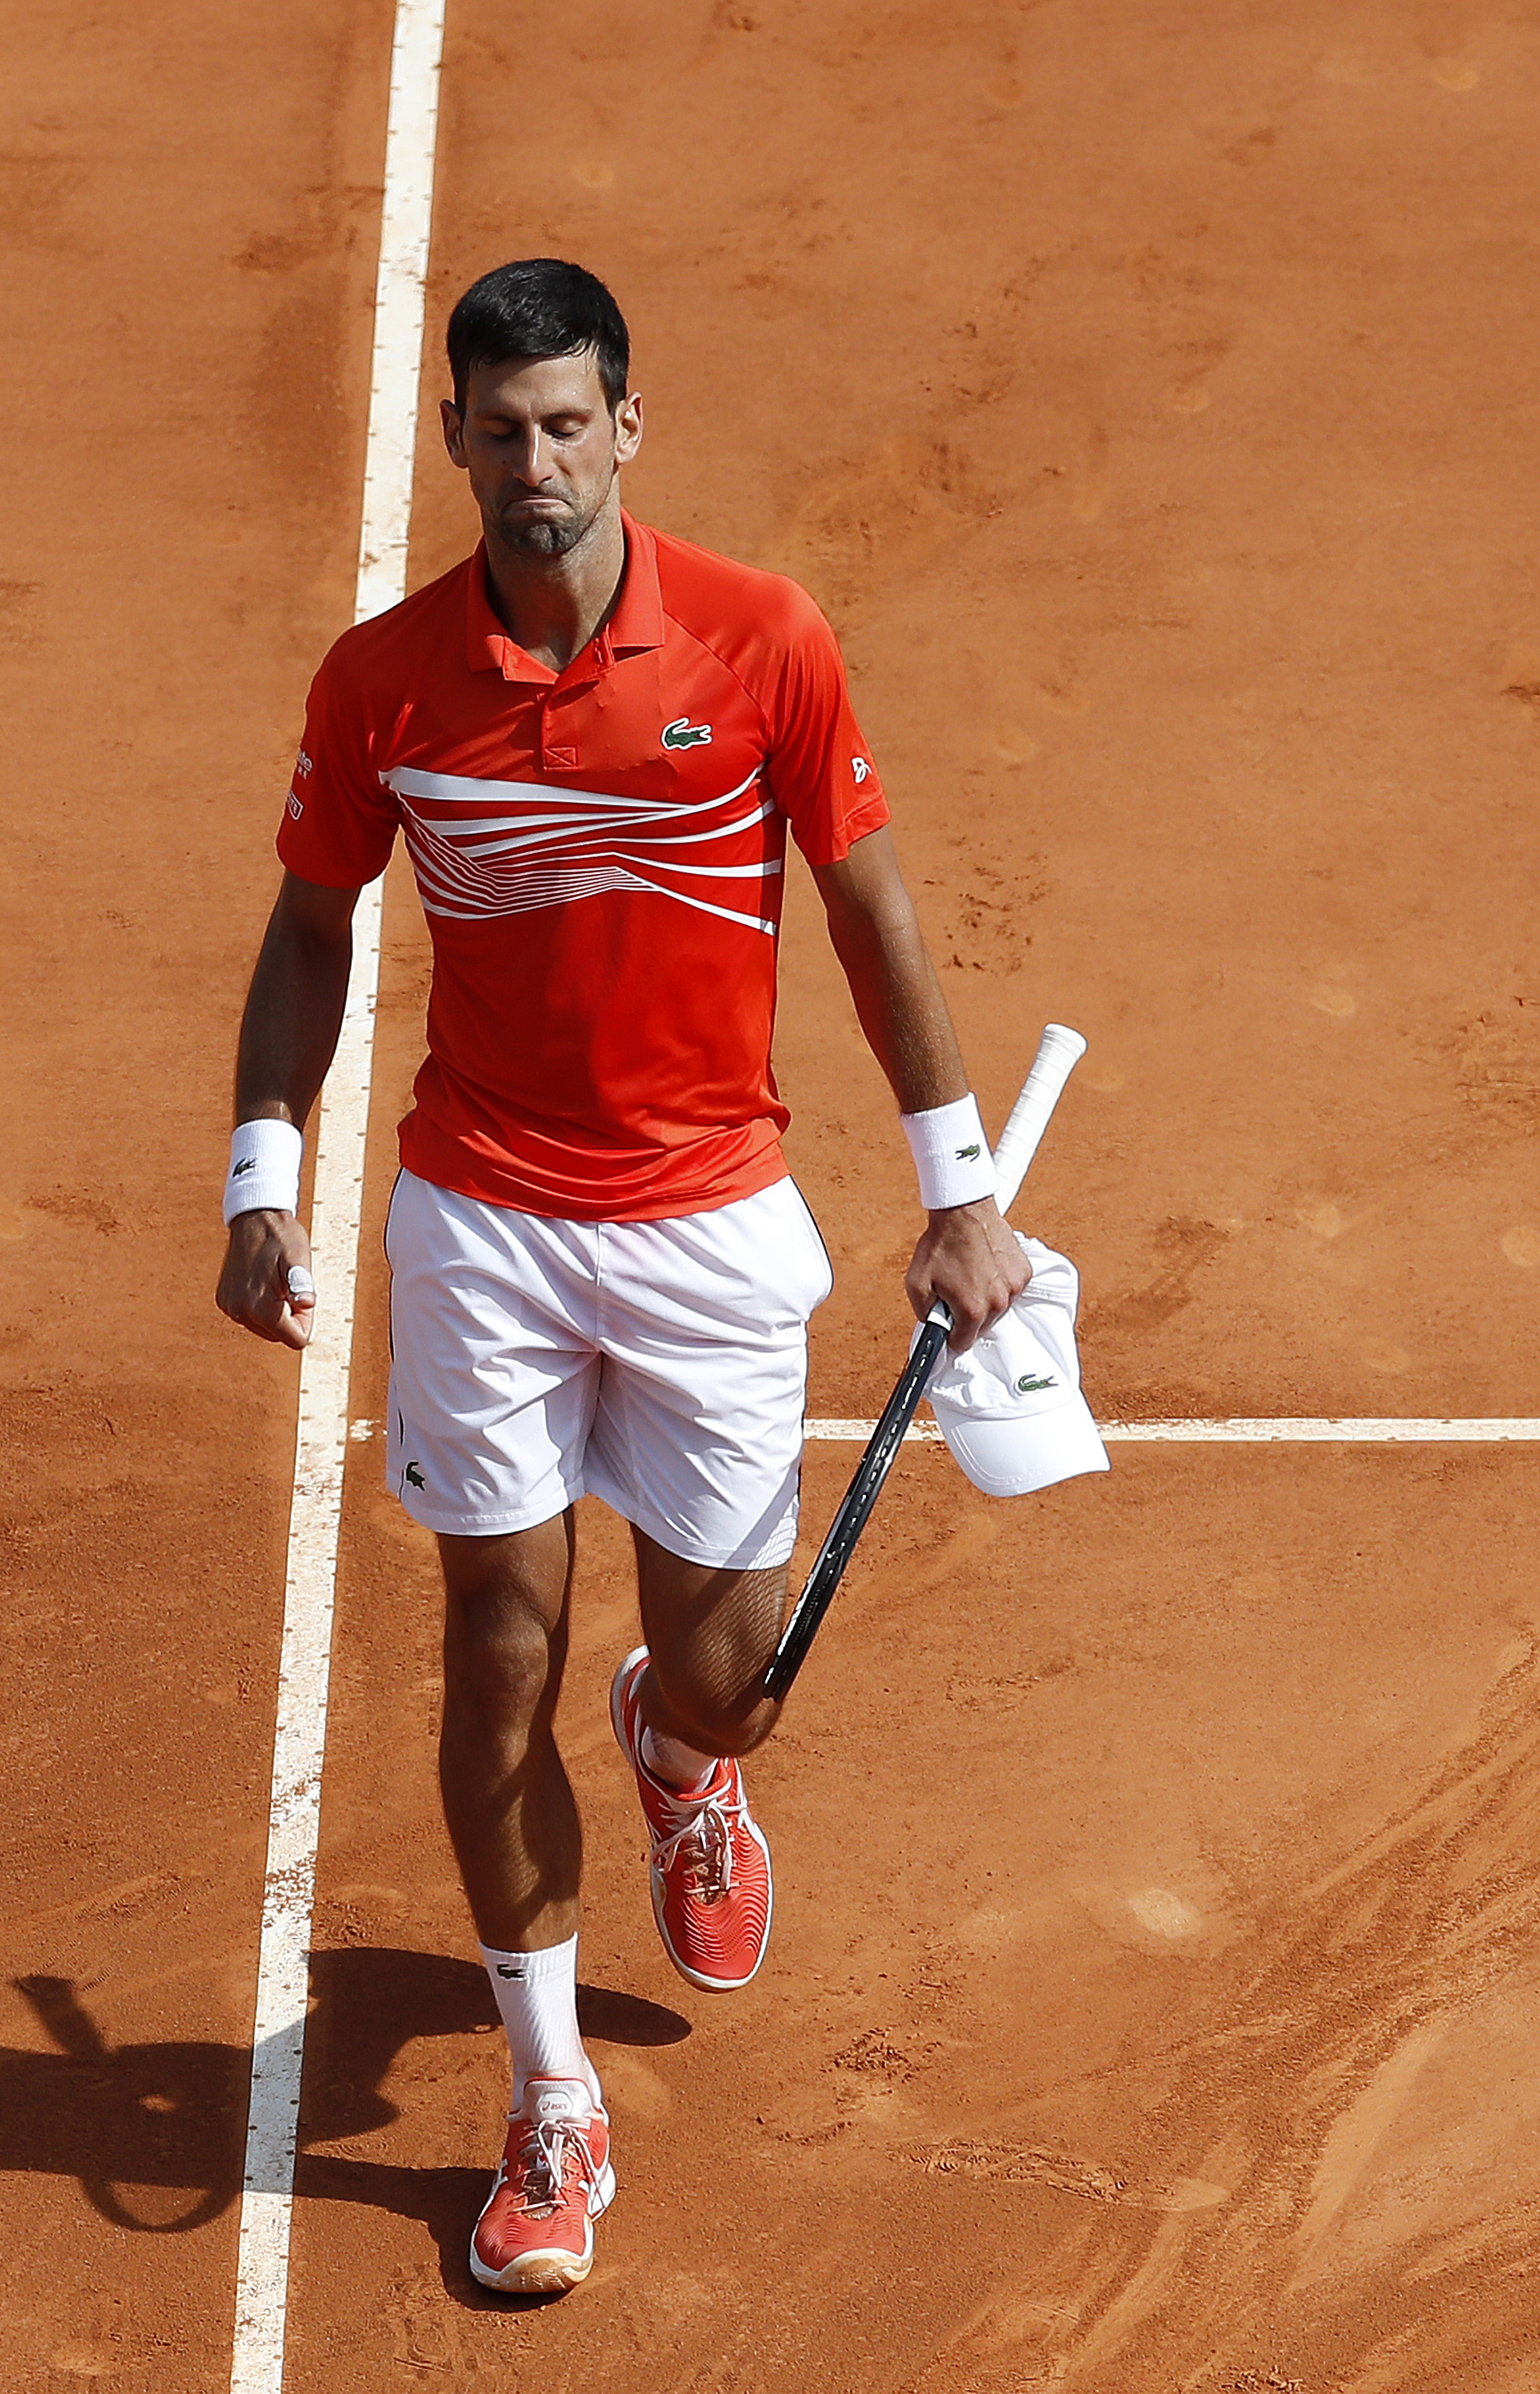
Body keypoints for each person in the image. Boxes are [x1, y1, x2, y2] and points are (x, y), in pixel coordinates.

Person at [214, 258, 1026, 2295]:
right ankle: (550, 2095)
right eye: (501, 429)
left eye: (571, 423)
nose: (538, 462)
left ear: (627, 428)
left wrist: (962, 1187)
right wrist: (261, 1176)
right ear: (458, 441)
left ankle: (683, 1751)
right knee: (496, 1651)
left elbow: (866, 902)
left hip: (704, 1218)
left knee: (736, 1663)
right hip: (481, 1211)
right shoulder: (384, 679)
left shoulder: (760, 641)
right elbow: (312, 927)